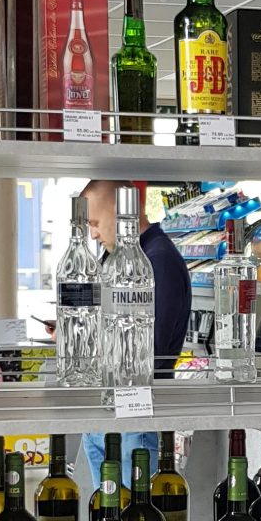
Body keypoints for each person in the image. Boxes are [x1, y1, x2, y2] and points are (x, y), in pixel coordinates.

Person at [77, 179, 192, 488]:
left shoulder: (158, 260)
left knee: (137, 515)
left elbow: (150, 348)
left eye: (95, 222)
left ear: (120, 209)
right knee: (105, 513)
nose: (93, 233)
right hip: (108, 412)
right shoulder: (115, 258)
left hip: (137, 416)